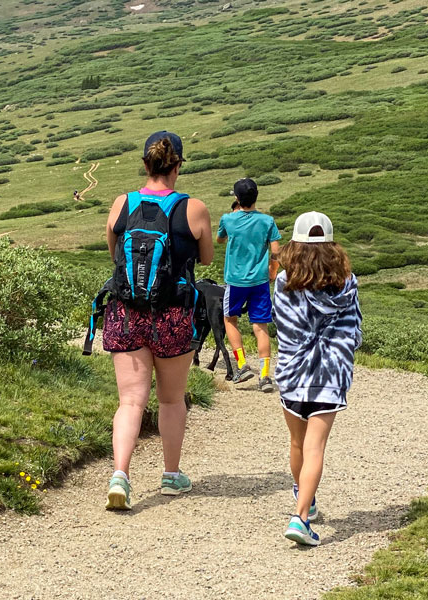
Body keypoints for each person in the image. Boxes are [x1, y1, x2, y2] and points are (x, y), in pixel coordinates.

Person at [102, 131, 213, 510]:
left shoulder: (123, 203)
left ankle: (120, 474)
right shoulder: (193, 208)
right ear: (177, 165)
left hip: (126, 311)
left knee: (130, 401)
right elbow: (208, 258)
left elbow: (115, 252)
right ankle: (170, 475)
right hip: (173, 314)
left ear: (145, 163)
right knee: (170, 399)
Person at [273, 211, 362, 546]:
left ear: (294, 245)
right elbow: (352, 329)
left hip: (293, 371)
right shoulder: (347, 284)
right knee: (316, 447)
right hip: (330, 372)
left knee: (298, 443)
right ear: (332, 246)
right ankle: (300, 518)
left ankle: (304, 501)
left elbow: (281, 324)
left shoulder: (282, 282)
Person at [216, 178, 281, 391]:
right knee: (260, 326)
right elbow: (276, 250)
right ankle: (265, 377)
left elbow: (219, 240)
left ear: (236, 198)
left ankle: (243, 365)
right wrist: (273, 270)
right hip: (260, 281)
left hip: (235, 281)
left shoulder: (228, 219)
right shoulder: (267, 221)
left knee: (230, 319)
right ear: (256, 197)